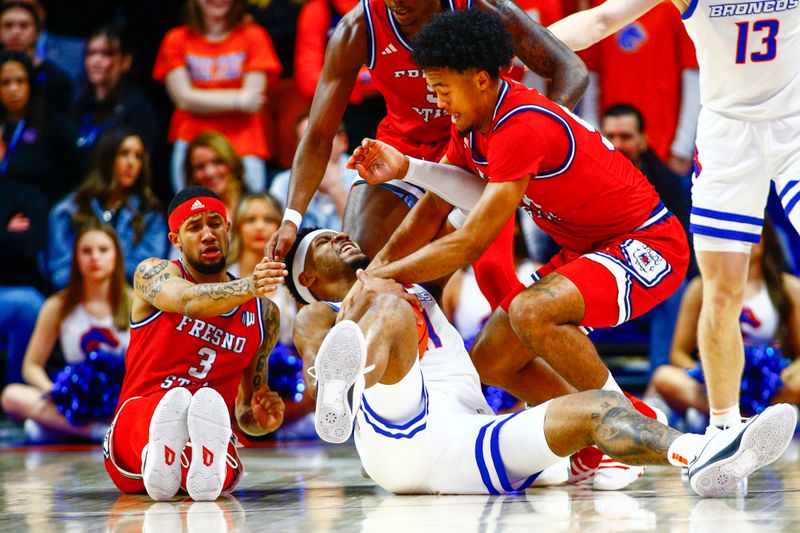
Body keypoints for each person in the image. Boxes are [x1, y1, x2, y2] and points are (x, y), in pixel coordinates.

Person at [346, 10, 689, 489]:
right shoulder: (472, 121)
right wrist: (376, 271)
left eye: (443, 89)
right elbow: (434, 207)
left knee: (531, 311)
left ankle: (624, 434)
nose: (436, 100)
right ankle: (597, 436)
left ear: (482, 79)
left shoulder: (521, 124)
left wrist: (390, 274)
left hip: (646, 242)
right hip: (588, 247)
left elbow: (469, 240)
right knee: (491, 360)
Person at [286, 227, 796, 497]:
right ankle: (341, 390)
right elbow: (312, 337)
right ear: (306, 277)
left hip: (466, 438)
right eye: (321, 243)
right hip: (394, 424)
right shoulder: (316, 311)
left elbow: (452, 216)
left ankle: (703, 455)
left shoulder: (412, 281)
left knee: (595, 407)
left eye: (335, 232)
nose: (338, 237)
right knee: (390, 309)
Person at [546, 0, 800, 433]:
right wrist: (507, 49)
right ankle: (725, 432)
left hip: (793, 123)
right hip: (727, 134)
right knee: (721, 289)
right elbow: (600, 20)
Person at [267, 0, 590, 312]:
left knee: (487, 292)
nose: (394, 3)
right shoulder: (360, 26)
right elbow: (319, 133)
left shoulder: (482, 8)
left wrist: (531, 136)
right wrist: (291, 217)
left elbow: (571, 69)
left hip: (476, 149)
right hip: (403, 147)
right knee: (359, 274)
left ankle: (458, 357)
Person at [103, 186, 286, 502]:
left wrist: (260, 419)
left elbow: (244, 413)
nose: (208, 234)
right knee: (162, 412)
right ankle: (168, 456)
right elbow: (189, 301)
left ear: (228, 228)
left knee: (211, 430)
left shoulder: (263, 314)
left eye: (215, 223)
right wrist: (251, 285)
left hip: (206, 427)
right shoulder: (153, 274)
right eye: (194, 227)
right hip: (139, 419)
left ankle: (179, 467)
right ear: (175, 240)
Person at [652, 223, 800, 422]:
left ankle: (736, 419)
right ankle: (744, 419)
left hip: (771, 381)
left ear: (767, 240)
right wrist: (708, 375)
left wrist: (774, 378)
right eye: (737, 237)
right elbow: (678, 354)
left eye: (752, 235)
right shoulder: (700, 287)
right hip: (712, 380)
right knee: (664, 376)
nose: (745, 243)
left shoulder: (789, 287)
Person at [1, 224, 130, 441]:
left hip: (121, 397)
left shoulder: (136, 302)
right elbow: (31, 366)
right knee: (11, 396)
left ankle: (63, 429)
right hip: (77, 398)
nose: (95, 257)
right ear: (76, 258)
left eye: (103, 250)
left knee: (38, 431)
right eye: (86, 251)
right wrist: (55, 391)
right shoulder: (58, 305)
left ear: (116, 255)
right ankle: (99, 433)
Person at [153, 0, 282, 194]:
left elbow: (254, 99)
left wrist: (198, 99)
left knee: (249, 211)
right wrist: (238, 100)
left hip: (244, 140)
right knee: (189, 212)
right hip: (192, 139)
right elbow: (182, 98)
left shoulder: (254, 35)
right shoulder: (176, 39)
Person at [600, 103, 691, 373]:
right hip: (599, 271)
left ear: (643, 141)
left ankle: (660, 381)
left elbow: (685, 246)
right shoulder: (582, 178)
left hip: (651, 275)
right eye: (609, 137)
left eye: (625, 137)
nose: (617, 144)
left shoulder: (668, 183)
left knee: (677, 287)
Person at [228, 192, 314, 438]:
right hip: (233, 400)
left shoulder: (296, 282)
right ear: (237, 227)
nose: (259, 226)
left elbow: (309, 349)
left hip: (291, 403)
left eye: (268, 219)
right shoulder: (222, 280)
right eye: (250, 219)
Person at [47, 128, 169, 289]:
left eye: (138, 156)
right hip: (76, 298)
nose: (131, 163)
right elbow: (60, 271)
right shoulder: (68, 210)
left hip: (129, 301)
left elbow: (148, 272)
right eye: (124, 153)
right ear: (107, 158)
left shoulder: (150, 214)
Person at [0, 50, 81, 207]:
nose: (13, 89)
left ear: (31, 84)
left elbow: (77, 176)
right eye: (5, 82)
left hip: (42, 216)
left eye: (20, 81)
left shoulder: (54, 127)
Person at [73, 25, 160, 156]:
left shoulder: (137, 110)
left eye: (106, 54)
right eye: (91, 53)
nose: (96, 61)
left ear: (126, 61)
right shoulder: (78, 104)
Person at [270, 114, 358, 231]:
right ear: (297, 147)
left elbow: (365, 236)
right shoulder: (282, 183)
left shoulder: (363, 178)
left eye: (323, 139)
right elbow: (276, 234)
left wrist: (335, 188)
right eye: (305, 141)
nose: (314, 148)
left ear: (343, 142)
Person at [0, 179, 47, 385]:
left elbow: (27, 247)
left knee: (29, 304)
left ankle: (15, 394)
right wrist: (4, 234)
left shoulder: (24, 195)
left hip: (6, 292)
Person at [0, 1, 72, 112]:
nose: (15, 32)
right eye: (8, 26)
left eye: (24, 26)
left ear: (38, 32)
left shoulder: (56, 80)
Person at [184, 131, 245, 219]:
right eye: (200, 167)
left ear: (231, 162)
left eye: (217, 162)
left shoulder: (256, 204)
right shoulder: (190, 218)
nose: (210, 172)